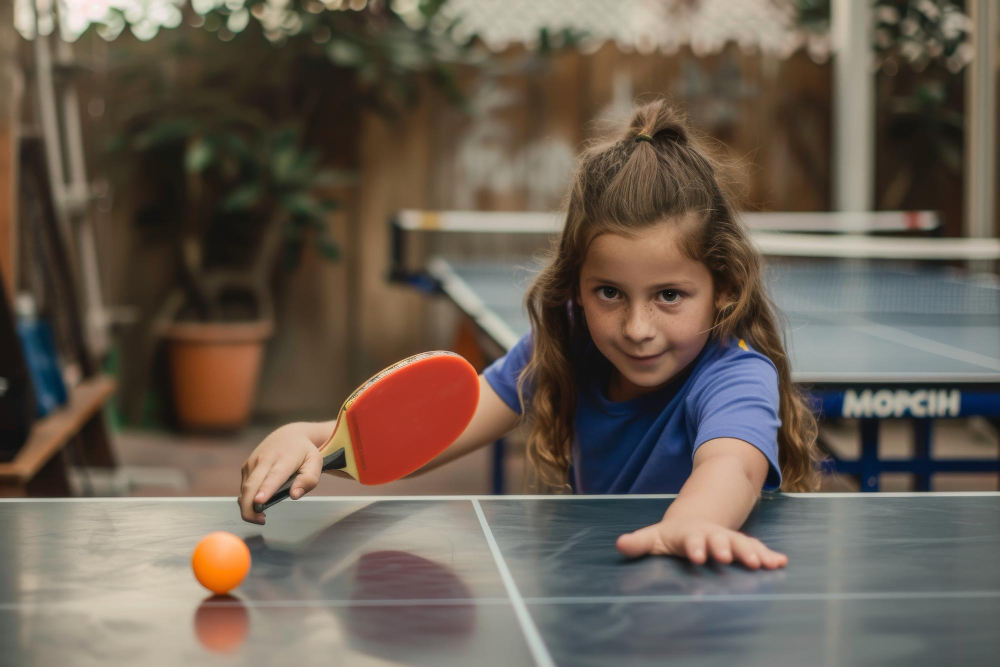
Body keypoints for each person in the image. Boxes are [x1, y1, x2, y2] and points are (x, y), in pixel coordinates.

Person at [238, 99, 823, 569]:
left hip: (693, 594)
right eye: (609, 293)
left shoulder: (736, 374)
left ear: (722, 288)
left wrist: (692, 523)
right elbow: (426, 437)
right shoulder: (564, 345)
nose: (637, 329)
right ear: (576, 285)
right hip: (602, 592)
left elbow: (733, 467)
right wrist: (311, 440)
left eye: (669, 296)